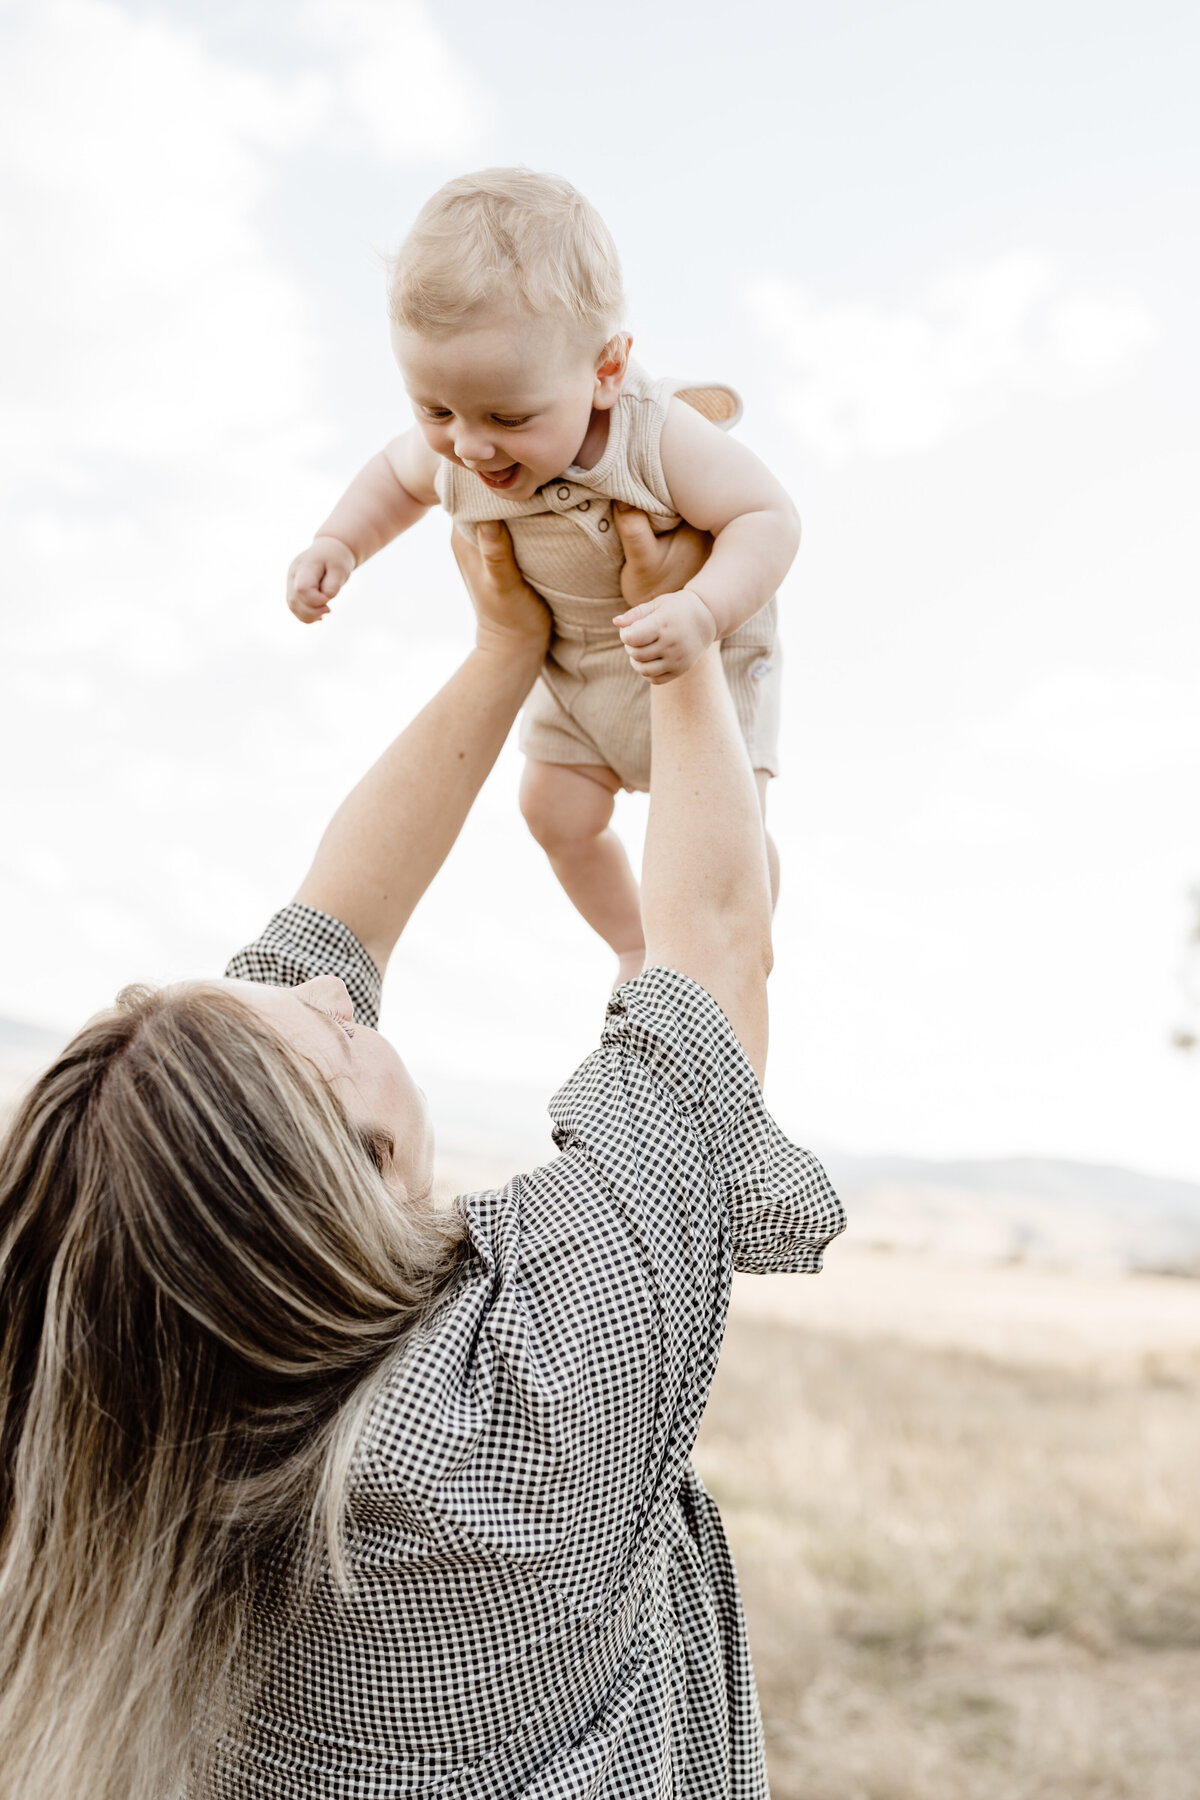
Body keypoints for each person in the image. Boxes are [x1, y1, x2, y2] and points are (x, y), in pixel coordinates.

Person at [0, 512, 842, 1800]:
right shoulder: (518, 1418)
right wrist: (689, 655)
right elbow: (715, 954)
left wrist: (509, 643)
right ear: (366, 1164)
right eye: (335, 1031)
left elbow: (333, 917)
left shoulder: (169, 1397)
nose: (341, 993)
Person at [286, 167, 800, 985]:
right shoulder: (458, 438)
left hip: (692, 657)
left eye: (510, 418)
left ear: (604, 371)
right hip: (575, 674)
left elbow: (768, 518)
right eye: (436, 411)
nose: (472, 446)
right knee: (552, 811)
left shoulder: (653, 438)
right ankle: (634, 945)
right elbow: (392, 480)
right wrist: (337, 544)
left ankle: (718, 952)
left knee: (715, 841)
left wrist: (700, 610)